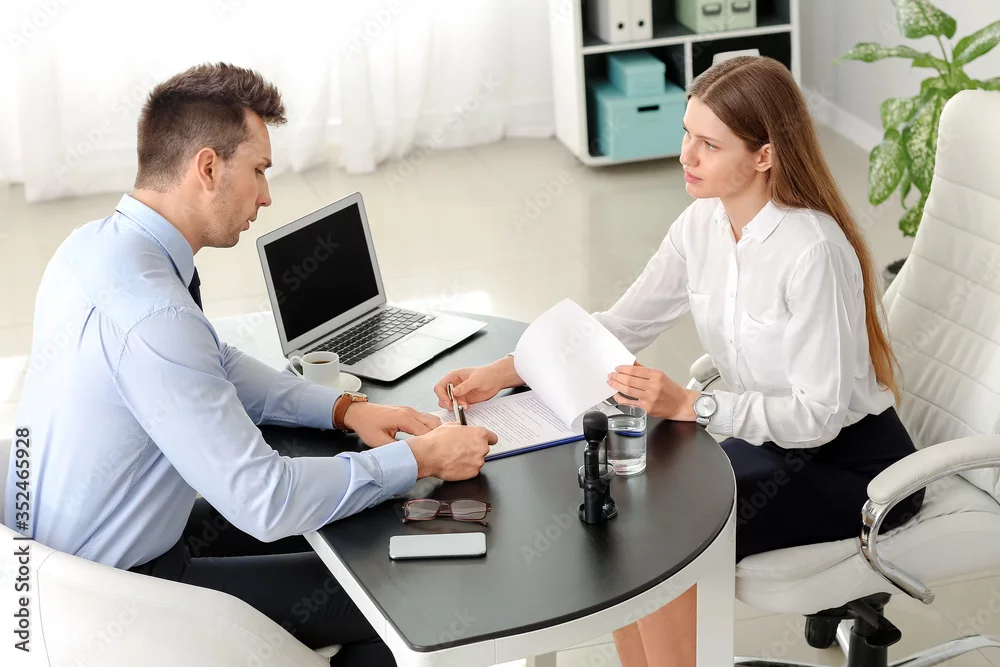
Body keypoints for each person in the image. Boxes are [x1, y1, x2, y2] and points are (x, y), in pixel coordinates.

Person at [432, 56, 925, 666]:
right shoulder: (702, 224)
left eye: (709, 144)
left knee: (659, 541)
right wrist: (504, 371)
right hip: (770, 443)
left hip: (855, 467)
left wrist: (692, 404)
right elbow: (621, 326)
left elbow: (818, 418)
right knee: (617, 509)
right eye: (687, 133)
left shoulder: (812, 252)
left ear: (764, 155)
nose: (687, 155)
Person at [4, 62, 497, 666]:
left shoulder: (93, 247)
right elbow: (266, 501)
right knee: (397, 595)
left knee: (360, 534)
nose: (266, 196)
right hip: (124, 593)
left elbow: (213, 361)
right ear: (208, 167)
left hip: (86, 547)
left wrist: (346, 409)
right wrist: (418, 458)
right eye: (259, 170)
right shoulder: (155, 315)